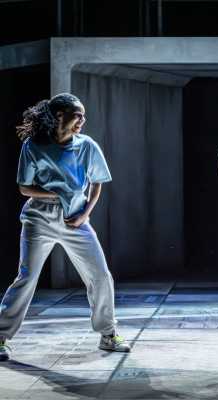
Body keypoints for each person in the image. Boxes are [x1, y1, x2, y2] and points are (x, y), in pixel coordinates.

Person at [0, 93, 130, 361]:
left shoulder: (87, 146)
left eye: (83, 115)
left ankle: (108, 334)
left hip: (76, 219)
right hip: (38, 218)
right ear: (60, 115)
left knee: (100, 275)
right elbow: (25, 187)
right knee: (27, 277)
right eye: (78, 114)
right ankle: (1, 336)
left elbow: (97, 183)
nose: (83, 119)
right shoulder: (34, 146)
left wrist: (84, 214)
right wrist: (56, 195)